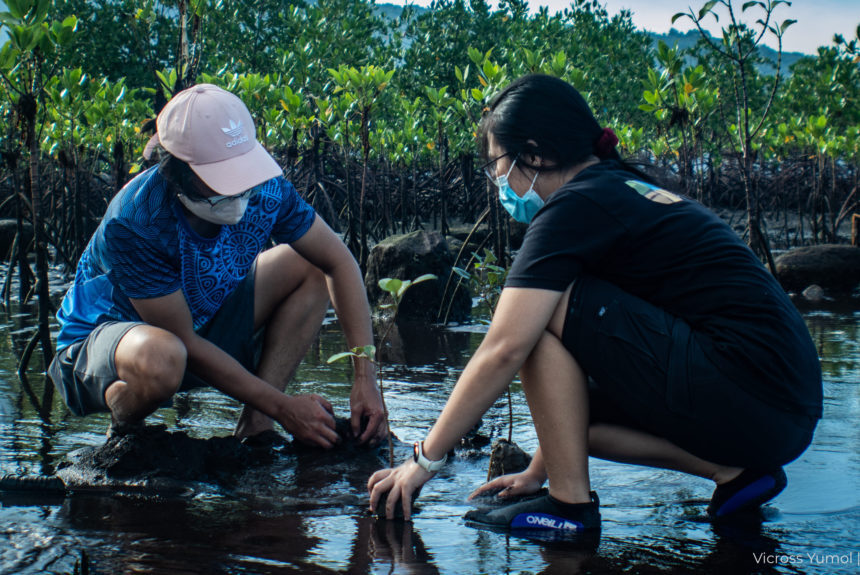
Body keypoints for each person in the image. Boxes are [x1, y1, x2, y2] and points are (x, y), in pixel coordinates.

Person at [367, 74, 822, 536]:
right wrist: (535, 472)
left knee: (535, 317)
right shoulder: (620, 188)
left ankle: (569, 509)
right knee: (572, 419)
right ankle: (735, 474)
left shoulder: (575, 206)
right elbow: (580, 384)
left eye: (497, 164)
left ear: (533, 154)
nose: (497, 180)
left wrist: (423, 461)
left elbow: (504, 347)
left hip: (749, 388)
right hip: (781, 413)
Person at [49, 84, 386, 448]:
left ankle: (256, 427)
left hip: (198, 326)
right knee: (164, 357)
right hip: (104, 347)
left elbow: (338, 261)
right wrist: (286, 408)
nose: (239, 189)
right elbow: (185, 342)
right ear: (177, 169)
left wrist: (365, 377)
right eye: (222, 177)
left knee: (309, 266)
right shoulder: (136, 220)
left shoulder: (266, 188)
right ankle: (125, 426)